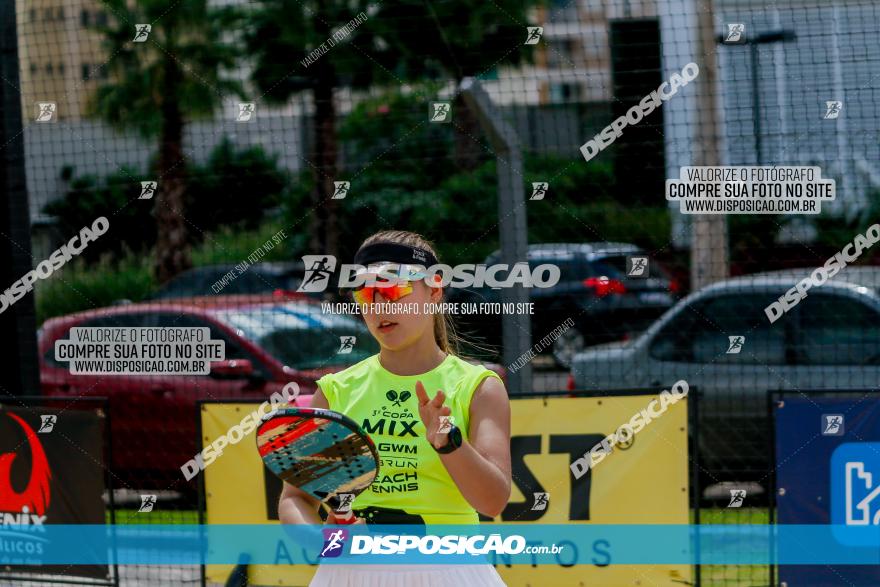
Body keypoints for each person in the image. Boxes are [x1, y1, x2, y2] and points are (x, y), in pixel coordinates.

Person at [278, 230, 511, 587]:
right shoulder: (335, 391)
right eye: (366, 294)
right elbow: (295, 500)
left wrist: (450, 444)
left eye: (392, 290)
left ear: (434, 291)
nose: (378, 307)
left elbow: (493, 501)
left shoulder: (479, 387)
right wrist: (328, 542)